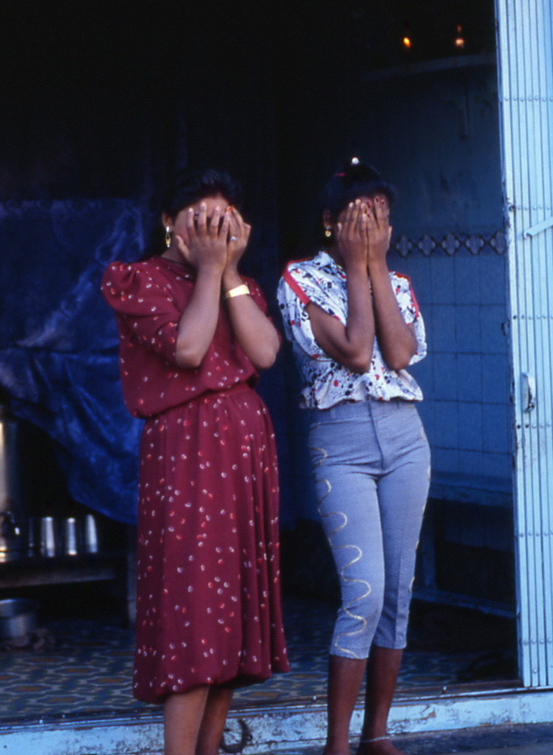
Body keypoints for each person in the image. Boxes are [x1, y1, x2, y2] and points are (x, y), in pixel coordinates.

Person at [101, 169, 289, 755]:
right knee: (195, 615)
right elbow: (187, 348)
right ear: (167, 222)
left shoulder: (243, 286)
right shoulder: (139, 281)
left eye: (224, 221)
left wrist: (227, 270)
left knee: (230, 614)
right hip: (186, 454)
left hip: (242, 454)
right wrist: (211, 268)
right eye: (201, 219)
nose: (213, 230)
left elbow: (263, 352)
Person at [276, 159, 430, 755]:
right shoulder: (300, 280)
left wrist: (374, 268)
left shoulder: (398, 284)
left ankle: (377, 733)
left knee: (397, 592)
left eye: (381, 220)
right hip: (340, 445)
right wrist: (361, 267)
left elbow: (398, 351)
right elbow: (357, 353)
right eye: (358, 220)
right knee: (364, 591)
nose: (371, 230)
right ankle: (336, 744)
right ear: (328, 223)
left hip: (404, 440)